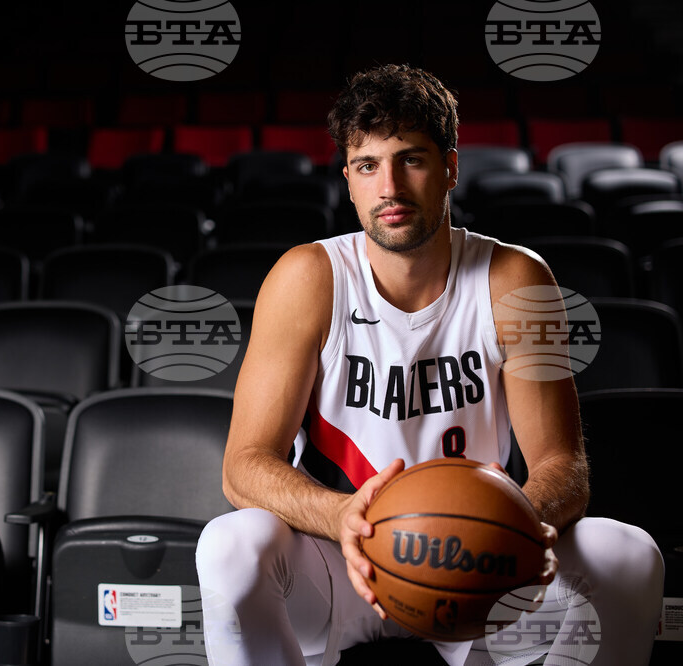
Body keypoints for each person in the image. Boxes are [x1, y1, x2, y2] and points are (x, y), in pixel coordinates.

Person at [195, 64, 664, 666]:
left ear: (450, 167)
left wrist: (515, 527)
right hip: (343, 560)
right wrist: (341, 515)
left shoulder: (515, 279)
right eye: (368, 165)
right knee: (229, 546)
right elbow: (243, 467)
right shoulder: (309, 278)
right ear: (348, 180)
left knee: (629, 557)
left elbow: (562, 464)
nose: (389, 186)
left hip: (477, 560)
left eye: (411, 159)